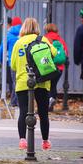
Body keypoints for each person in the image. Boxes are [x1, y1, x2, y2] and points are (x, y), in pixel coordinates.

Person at [11, 18, 57, 150]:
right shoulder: (43, 40)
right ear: (37, 27)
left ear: (23, 28)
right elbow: (54, 53)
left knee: (23, 111)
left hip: (23, 82)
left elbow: (13, 65)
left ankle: (22, 140)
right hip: (41, 81)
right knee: (43, 113)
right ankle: (45, 142)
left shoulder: (18, 43)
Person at [44, 23, 69, 111]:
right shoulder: (61, 40)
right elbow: (66, 54)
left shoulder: (45, 39)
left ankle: (47, 104)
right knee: (53, 85)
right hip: (59, 68)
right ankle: (52, 100)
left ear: (47, 29)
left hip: (48, 67)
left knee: (46, 86)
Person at [0, 17, 22, 107]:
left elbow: (2, 49)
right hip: (22, 62)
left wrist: (1, 61)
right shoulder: (24, 33)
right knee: (19, 82)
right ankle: (16, 101)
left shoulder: (8, 34)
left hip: (11, 62)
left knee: (13, 83)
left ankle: (14, 102)